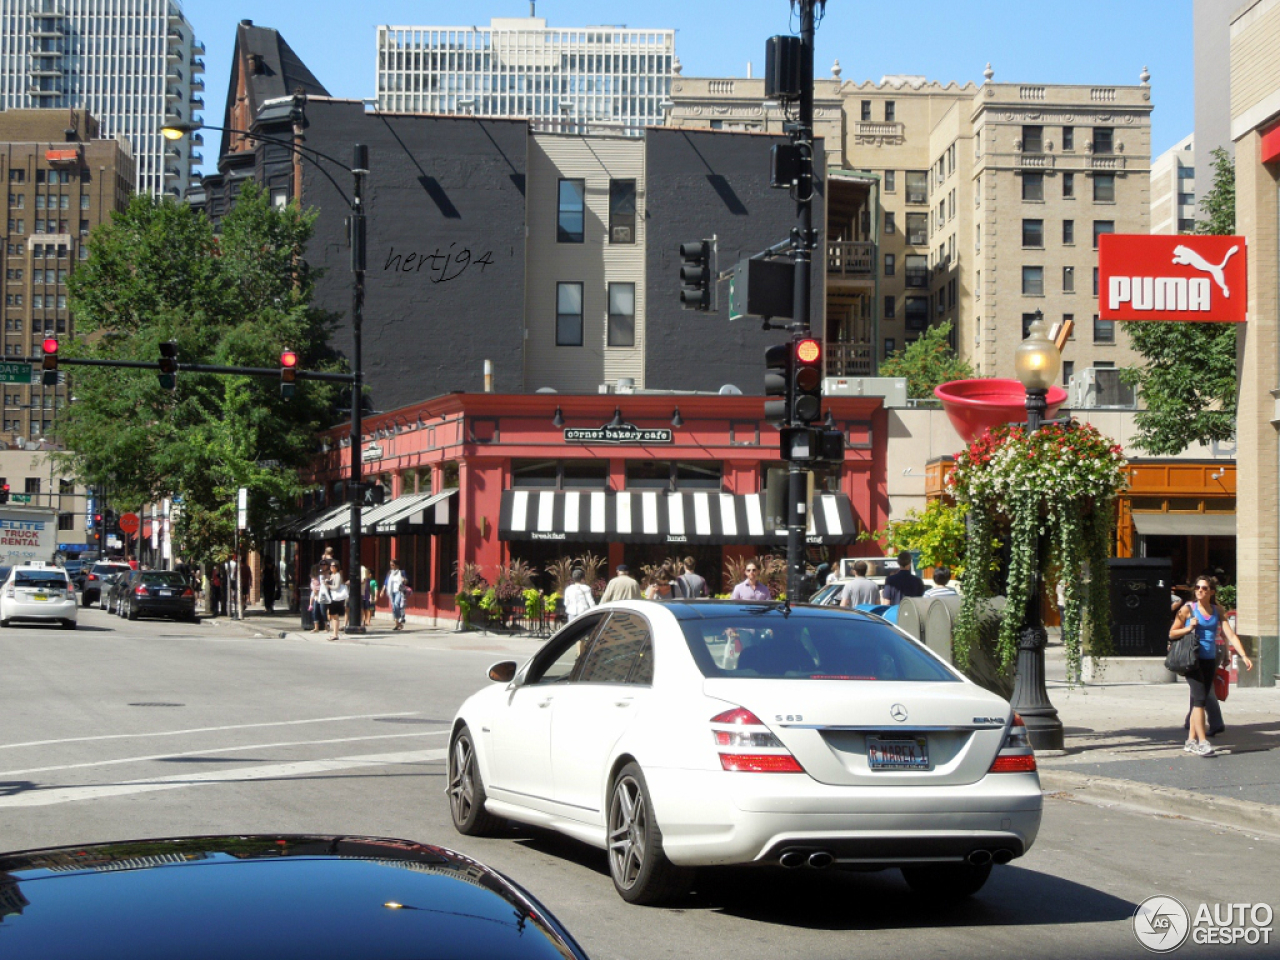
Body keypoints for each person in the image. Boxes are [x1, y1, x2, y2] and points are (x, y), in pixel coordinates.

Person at [1170, 576, 1253, 757]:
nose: (1200, 590)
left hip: (1209, 659)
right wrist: (1188, 627)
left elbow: (1229, 634)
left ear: (1211, 592)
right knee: (1200, 701)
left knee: (1199, 700)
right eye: (1198, 587)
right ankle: (1202, 742)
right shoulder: (1187, 609)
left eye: (1205, 588)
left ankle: (1190, 741)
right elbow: (1172, 633)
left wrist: (1244, 655)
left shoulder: (1217, 610)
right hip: (1191, 660)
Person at [379, 559, 408, 631]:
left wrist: (404, 580)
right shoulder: (389, 573)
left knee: (396, 604)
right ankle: (397, 624)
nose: (391, 566)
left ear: (397, 565)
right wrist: (382, 590)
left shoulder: (401, 572)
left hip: (398, 590)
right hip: (391, 591)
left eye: (393, 565)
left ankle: (400, 619)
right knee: (393, 607)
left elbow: (406, 581)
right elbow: (386, 582)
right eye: (390, 565)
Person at [326, 561, 348, 641]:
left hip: (337, 598)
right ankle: (334, 633)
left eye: (334, 566)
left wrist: (328, 585)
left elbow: (336, 587)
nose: (332, 567)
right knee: (332, 615)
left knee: (335, 616)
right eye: (331, 566)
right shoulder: (332, 575)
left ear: (337, 567)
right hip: (332, 597)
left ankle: (335, 634)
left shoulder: (338, 575)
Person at [308, 564, 328, 633]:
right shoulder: (313, 578)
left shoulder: (321, 577)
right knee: (315, 611)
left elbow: (323, 586)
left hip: (321, 595)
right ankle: (316, 627)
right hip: (316, 596)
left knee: (323, 611)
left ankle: (326, 627)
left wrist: (316, 589)